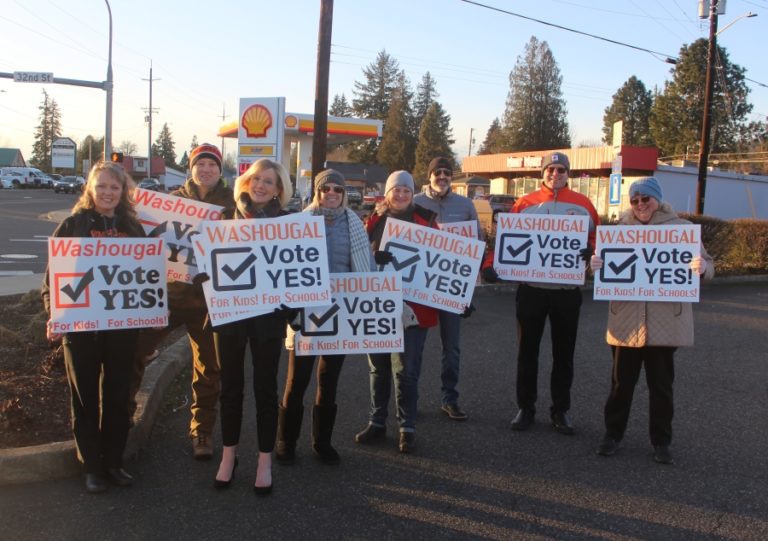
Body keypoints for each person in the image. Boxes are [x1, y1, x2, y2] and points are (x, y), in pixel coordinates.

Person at [591, 177, 714, 465]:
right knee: (621, 384)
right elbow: (604, 269)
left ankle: (661, 441)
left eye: (646, 198)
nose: (641, 205)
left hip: (665, 322)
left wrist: (703, 267)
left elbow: (709, 265)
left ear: (657, 199)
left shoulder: (681, 230)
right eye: (635, 200)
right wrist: (594, 266)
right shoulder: (619, 231)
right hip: (626, 322)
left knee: (661, 386)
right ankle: (612, 435)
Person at [42, 162, 146, 493]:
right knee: (84, 398)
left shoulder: (132, 227)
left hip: (121, 329)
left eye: (114, 187)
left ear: (123, 192)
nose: (107, 193)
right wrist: (52, 313)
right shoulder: (72, 225)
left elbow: (145, 274)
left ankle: (113, 463)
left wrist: (150, 309)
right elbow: (53, 277)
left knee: (117, 395)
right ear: (90, 188)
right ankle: (91, 466)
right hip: (80, 326)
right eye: (101, 186)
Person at [481, 152, 599, 435]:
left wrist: (592, 251)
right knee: (527, 352)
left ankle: (561, 410)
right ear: (542, 172)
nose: (555, 174)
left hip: (566, 291)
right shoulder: (525, 203)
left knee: (564, 354)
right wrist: (489, 265)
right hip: (531, 290)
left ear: (567, 173)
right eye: (550, 169)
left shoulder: (583, 205)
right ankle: (526, 408)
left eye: (560, 170)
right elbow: (506, 241)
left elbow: (599, 241)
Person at [130, 143, 233, 461]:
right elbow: (143, 239)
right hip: (169, 297)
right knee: (136, 351)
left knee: (209, 368)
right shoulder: (170, 203)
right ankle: (123, 417)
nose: (206, 169)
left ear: (220, 170)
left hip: (209, 302)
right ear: (191, 168)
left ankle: (201, 430)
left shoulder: (232, 206)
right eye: (200, 164)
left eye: (212, 165)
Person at [276, 169, 375, 466]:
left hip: (341, 313)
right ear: (316, 192)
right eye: (325, 188)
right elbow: (284, 267)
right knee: (297, 380)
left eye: (337, 189)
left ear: (344, 194)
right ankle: (287, 441)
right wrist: (289, 307)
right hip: (306, 312)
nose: (331, 193)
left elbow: (365, 269)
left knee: (328, 381)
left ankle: (322, 442)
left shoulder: (354, 224)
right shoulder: (299, 223)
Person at [212, 158, 293, 494]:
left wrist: (293, 301)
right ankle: (229, 454)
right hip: (229, 313)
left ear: (279, 189)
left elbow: (297, 271)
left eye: (269, 182)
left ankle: (264, 458)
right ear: (245, 181)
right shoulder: (221, 218)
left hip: (269, 317)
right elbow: (203, 260)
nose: (261, 186)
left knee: (265, 388)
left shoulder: (289, 224)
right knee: (229, 387)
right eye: (257, 178)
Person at [354, 171, 438, 454]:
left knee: (406, 370)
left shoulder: (426, 220)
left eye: (406, 190)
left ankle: (407, 427)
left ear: (412, 192)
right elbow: (361, 255)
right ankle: (377, 421)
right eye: (395, 190)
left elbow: (440, 261)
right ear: (386, 193)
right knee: (378, 367)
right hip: (378, 305)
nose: (400, 195)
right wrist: (372, 255)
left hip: (413, 307)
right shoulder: (375, 220)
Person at [413, 157, 481, 422]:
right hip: (421, 287)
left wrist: (469, 291)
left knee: (451, 348)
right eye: (437, 172)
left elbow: (474, 246)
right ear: (429, 175)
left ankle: (449, 399)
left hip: (452, 288)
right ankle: (410, 398)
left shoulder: (465, 206)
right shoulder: (415, 202)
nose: (442, 176)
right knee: (414, 348)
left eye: (447, 173)